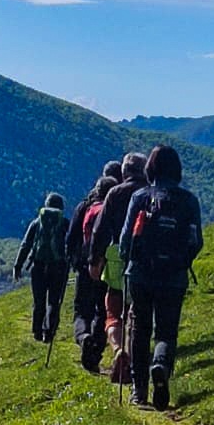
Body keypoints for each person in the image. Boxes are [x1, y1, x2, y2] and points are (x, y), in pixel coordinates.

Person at [119, 144, 202, 410]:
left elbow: (125, 240)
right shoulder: (189, 201)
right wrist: (182, 262)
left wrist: (128, 261)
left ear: (150, 168)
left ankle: (139, 389)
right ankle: (161, 366)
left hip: (140, 274)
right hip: (173, 277)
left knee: (140, 329)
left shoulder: (140, 197)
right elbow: (196, 241)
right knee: (166, 330)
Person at [87, 152, 148, 383]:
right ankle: (131, 357)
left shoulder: (115, 193)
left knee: (113, 310)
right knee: (137, 311)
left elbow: (100, 230)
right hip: (144, 261)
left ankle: (118, 349)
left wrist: (95, 260)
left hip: (115, 259)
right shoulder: (151, 193)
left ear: (124, 172)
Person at [65, 174, 117, 371]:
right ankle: (95, 352)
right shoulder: (114, 210)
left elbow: (71, 238)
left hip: (85, 266)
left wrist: (74, 261)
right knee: (102, 311)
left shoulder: (85, 207)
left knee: (82, 310)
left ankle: (83, 337)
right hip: (107, 268)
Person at [14, 192, 70, 343]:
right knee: (54, 301)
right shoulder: (64, 223)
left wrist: (18, 265)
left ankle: (37, 331)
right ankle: (49, 332)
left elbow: (26, 245)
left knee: (39, 300)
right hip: (58, 267)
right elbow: (72, 244)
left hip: (38, 266)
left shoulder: (37, 222)